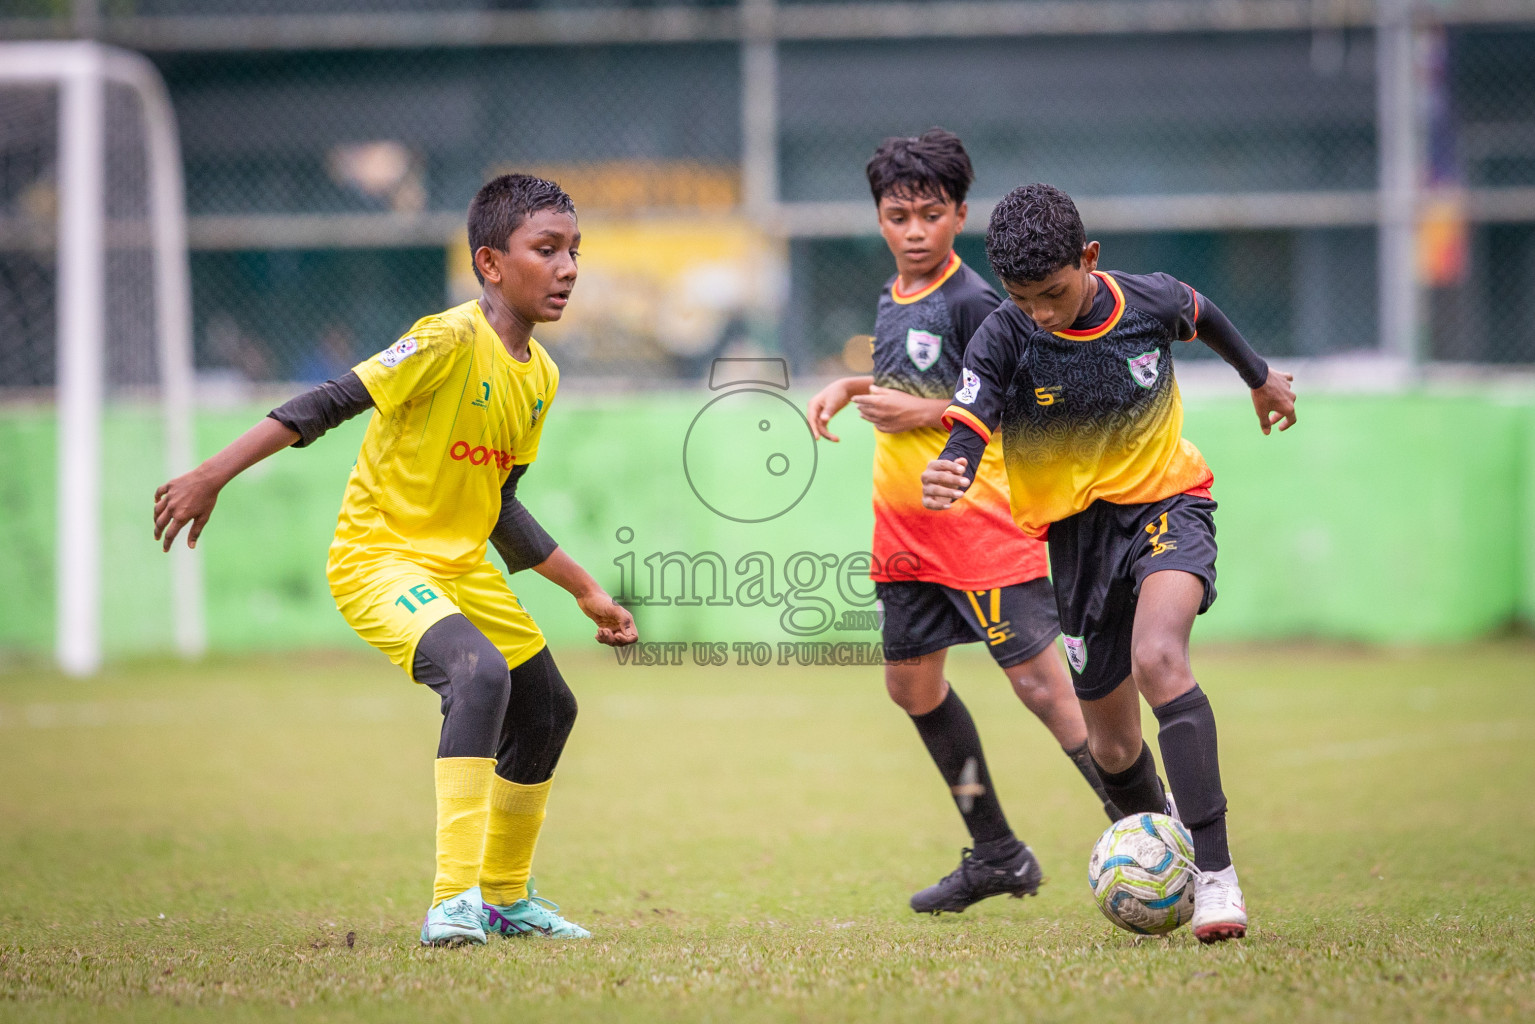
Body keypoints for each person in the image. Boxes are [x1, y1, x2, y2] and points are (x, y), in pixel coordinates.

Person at [153, 174, 637, 946]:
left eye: (574, 250)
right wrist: (212, 473)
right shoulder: (446, 338)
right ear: (490, 261)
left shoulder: (539, 376)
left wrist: (584, 590)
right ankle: (454, 901)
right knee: (477, 674)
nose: (568, 267)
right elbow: (327, 404)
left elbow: (498, 505)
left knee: (548, 709)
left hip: (461, 569)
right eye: (546, 249)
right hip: (379, 559)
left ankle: (507, 899)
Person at [922, 182, 1297, 943]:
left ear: (1088, 259)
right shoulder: (1004, 334)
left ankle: (1218, 879)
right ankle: (1161, 853)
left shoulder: (1148, 301)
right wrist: (953, 465)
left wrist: (1259, 377)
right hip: (1077, 542)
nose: (1041, 312)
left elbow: (1203, 312)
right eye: (1023, 297)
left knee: (1160, 658)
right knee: (1112, 744)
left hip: (1168, 507)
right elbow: (969, 417)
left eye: (1053, 293)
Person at [806, 130, 1120, 917]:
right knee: (912, 688)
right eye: (896, 215)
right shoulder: (892, 295)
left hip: (979, 529)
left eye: (930, 214)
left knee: (1046, 694)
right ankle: (997, 852)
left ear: (959, 215)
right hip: (904, 534)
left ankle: (1150, 836)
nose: (913, 230)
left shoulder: (980, 299)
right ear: (878, 218)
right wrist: (853, 386)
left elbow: (1029, 404)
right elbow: (922, 377)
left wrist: (917, 409)